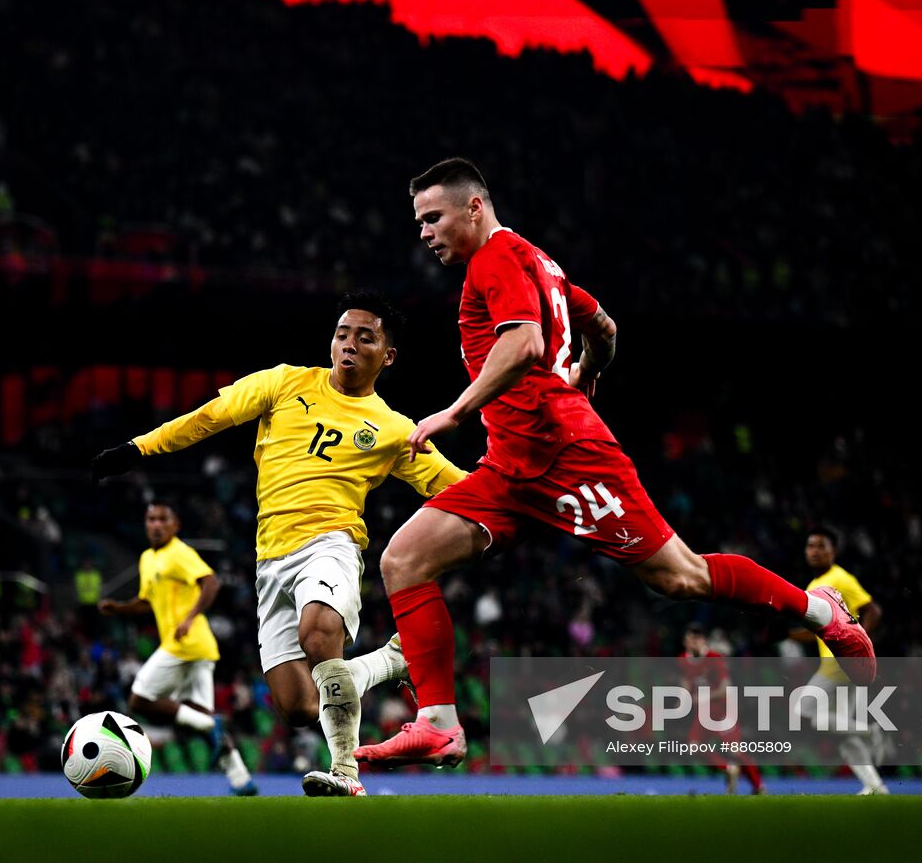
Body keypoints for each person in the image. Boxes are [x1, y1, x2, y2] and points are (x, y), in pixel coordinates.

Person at [355, 158, 874, 768]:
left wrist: (455, 412)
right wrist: (589, 371)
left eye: (432, 217)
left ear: (474, 207)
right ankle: (439, 724)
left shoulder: (493, 262)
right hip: (511, 467)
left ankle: (822, 612)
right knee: (405, 559)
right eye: (420, 221)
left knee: (680, 577)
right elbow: (604, 326)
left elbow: (522, 344)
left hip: (569, 455)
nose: (424, 232)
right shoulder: (537, 260)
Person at [92, 291, 466, 796]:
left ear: (388, 355)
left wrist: (521, 495)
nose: (349, 345)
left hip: (331, 542)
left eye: (365, 337)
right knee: (298, 707)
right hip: (270, 558)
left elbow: (452, 484)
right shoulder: (285, 383)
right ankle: (390, 661)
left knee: (320, 632)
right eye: (342, 334)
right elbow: (209, 417)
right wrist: (140, 447)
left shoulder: (397, 430)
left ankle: (345, 775)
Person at [98, 501, 257, 796]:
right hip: (197, 648)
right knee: (200, 719)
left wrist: (190, 616)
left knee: (139, 700)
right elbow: (147, 601)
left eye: (162, 519)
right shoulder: (148, 559)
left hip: (185, 642)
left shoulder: (180, 553)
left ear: (175, 525)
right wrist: (119, 608)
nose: (156, 524)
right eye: (151, 519)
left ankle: (212, 725)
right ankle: (241, 780)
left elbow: (211, 583)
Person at [788, 527, 888, 795]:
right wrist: (792, 635)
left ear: (833, 551)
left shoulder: (841, 579)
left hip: (839, 663)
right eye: (811, 546)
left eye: (821, 546)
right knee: (842, 734)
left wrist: (858, 647)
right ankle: (875, 787)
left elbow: (873, 610)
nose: (815, 551)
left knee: (802, 710)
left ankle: (871, 731)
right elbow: (820, 630)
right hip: (837, 664)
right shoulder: (813, 586)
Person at [678, 623, 765, 795]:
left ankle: (758, 787)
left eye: (695, 639)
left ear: (703, 640)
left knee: (735, 750)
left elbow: (726, 687)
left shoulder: (714, 657)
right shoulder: (682, 660)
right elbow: (686, 683)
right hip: (703, 713)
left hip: (723, 710)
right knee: (694, 746)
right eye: (688, 640)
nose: (691, 643)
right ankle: (729, 768)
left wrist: (703, 696)